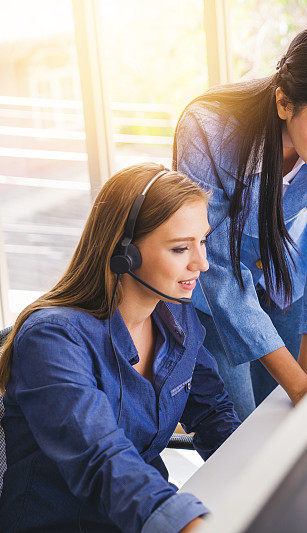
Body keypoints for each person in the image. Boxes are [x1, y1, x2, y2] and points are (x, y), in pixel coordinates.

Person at [0, 163, 240, 532]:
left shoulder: (178, 318)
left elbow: (211, 413)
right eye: (180, 248)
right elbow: (100, 459)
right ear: (125, 251)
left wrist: (263, 474)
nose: (202, 263)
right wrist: (186, 524)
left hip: (141, 515)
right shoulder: (53, 339)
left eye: (202, 240)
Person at [173, 25, 307, 419]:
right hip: (216, 293)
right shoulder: (208, 129)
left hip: (287, 278)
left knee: (289, 421)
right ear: (285, 104)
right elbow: (213, 257)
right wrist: (300, 387)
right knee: (237, 426)